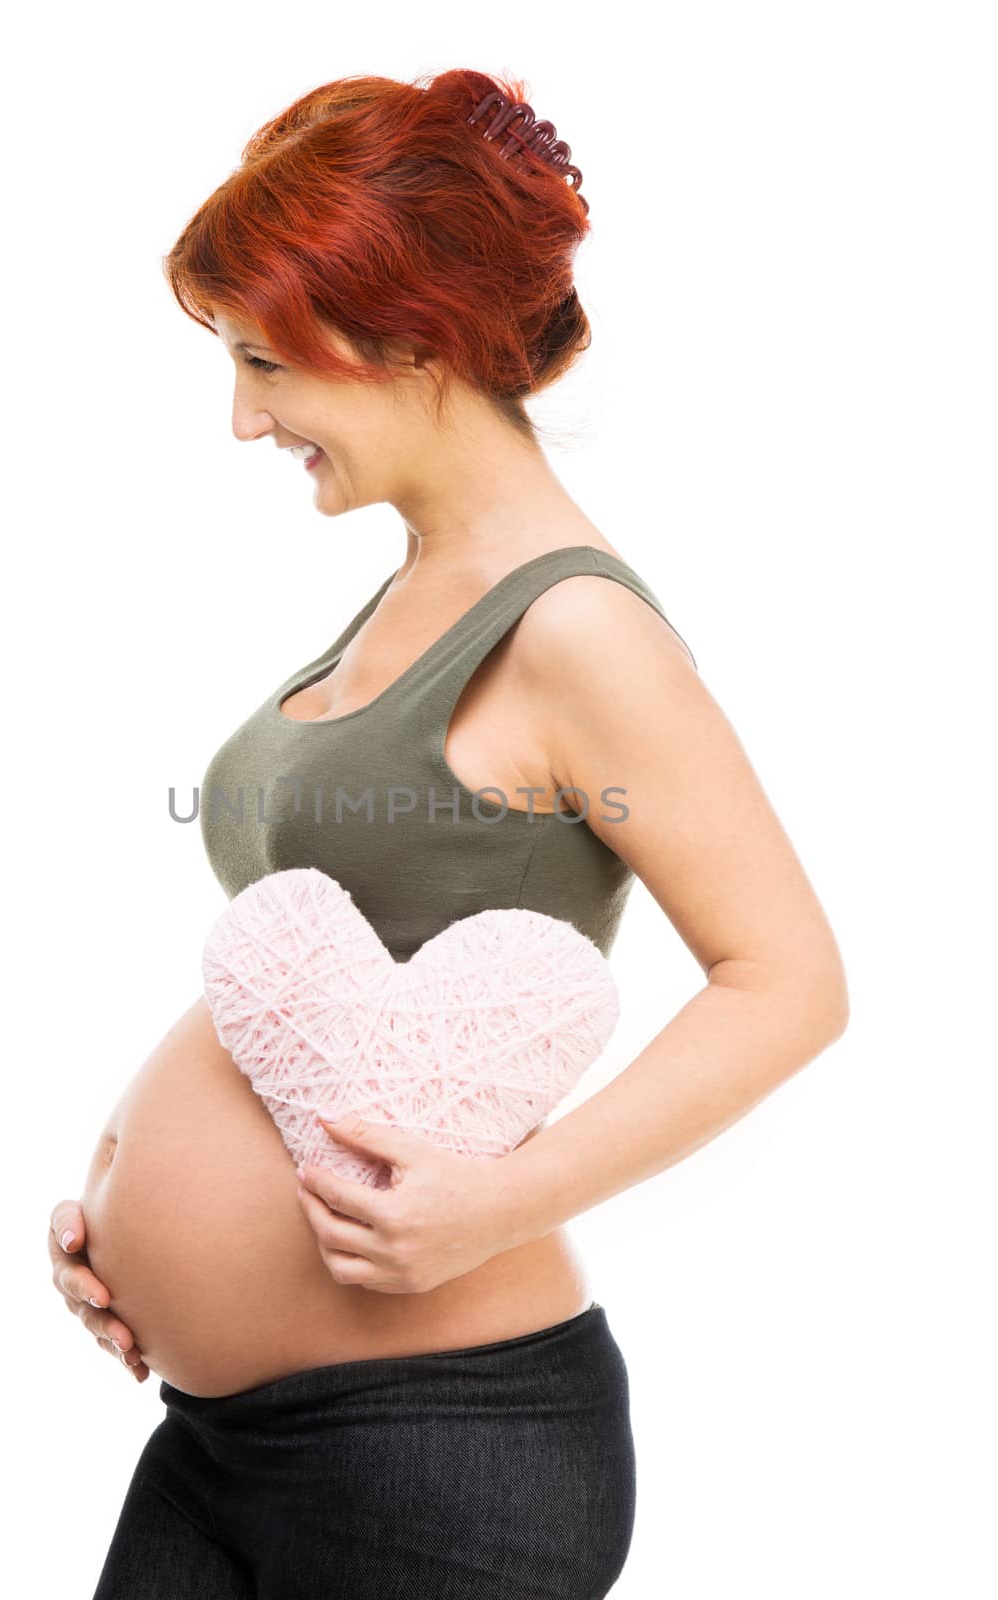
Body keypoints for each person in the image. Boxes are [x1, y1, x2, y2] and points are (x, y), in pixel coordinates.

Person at [47, 67, 850, 1599]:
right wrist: (131, 1213)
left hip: (437, 1448)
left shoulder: (576, 630)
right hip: (221, 1438)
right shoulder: (419, 579)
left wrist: (503, 1199)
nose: (243, 418)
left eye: (265, 363)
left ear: (407, 335)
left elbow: (790, 979)